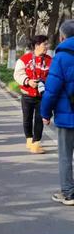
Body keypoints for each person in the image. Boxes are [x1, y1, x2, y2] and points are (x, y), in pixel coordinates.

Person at [41, 20, 74, 204]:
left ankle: (69, 193)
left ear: (62, 37)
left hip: (67, 115)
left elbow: (51, 90)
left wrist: (45, 113)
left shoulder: (60, 57)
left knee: (65, 156)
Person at [14, 34, 52, 154]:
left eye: (47, 44)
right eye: (44, 44)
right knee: (27, 119)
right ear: (36, 45)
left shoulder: (50, 60)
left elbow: (54, 76)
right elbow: (18, 74)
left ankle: (36, 143)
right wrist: (28, 81)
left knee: (39, 119)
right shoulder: (24, 59)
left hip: (42, 96)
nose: (47, 46)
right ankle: (29, 139)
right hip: (27, 94)